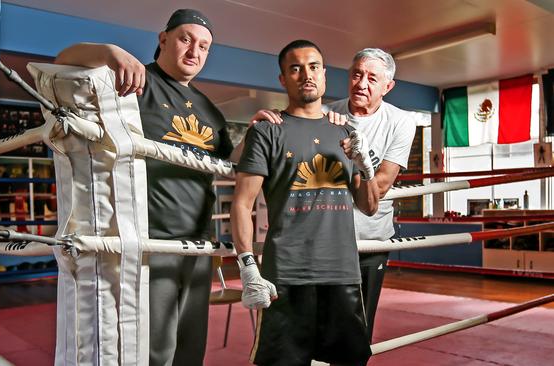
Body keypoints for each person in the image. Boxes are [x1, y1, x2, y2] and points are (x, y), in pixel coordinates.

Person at [55, 9, 277, 366]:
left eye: (204, 46)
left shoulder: (209, 110)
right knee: (155, 347)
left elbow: (228, 162)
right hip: (151, 238)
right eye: (186, 39)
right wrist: (109, 52)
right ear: (163, 39)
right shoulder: (135, 83)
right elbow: (63, 61)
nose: (195, 51)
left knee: (191, 346)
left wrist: (253, 135)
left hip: (198, 241)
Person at [230, 39, 379, 366]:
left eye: (313, 67)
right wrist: (247, 267)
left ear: (324, 75)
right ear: (283, 79)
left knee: (351, 359)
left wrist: (366, 167)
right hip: (286, 274)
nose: (306, 75)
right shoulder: (268, 132)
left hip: (341, 272)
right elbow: (242, 203)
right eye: (295, 68)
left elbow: (368, 206)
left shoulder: (346, 133)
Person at [326, 48, 416, 341]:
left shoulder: (400, 121)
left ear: (387, 87)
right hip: (325, 237)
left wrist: (358, 163)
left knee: (358, 328)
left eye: (372, 78)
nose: (361, 83)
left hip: (370, 238)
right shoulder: (326, 114)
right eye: (356, 74)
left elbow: (381, 187)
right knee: (320, 325)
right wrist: (268, 118)